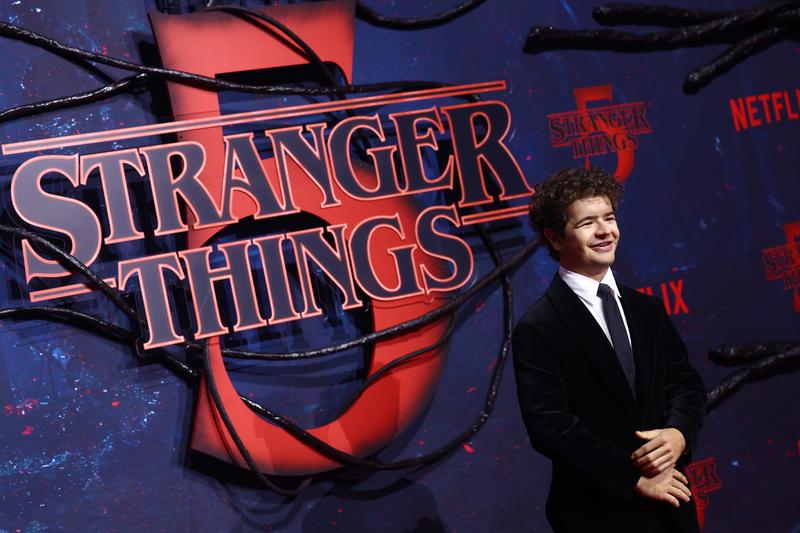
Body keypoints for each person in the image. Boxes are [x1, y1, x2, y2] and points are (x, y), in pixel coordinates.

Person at [512, 167, 706, 532]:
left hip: (672, 504)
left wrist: (679, 434)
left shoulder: (647, 308)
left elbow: (686, 384)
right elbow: (549, 425)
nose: (605, 231)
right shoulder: (538, 328)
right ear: (554, 238)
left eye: (609, 218)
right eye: (587, 223)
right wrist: (632, 479)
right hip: (600, 512)